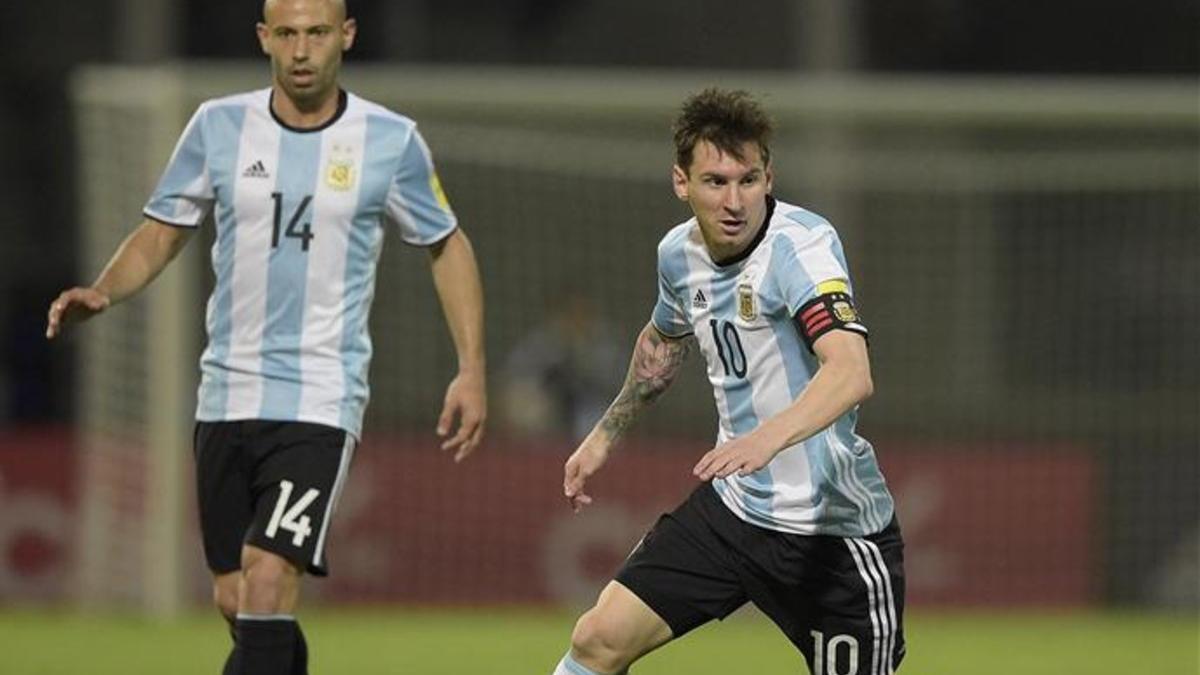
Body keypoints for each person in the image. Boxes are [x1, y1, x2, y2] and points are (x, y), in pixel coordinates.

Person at [45, 1, 487, 673]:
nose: (302, 50)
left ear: (346, 36)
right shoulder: (218, 126)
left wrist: (471, 366)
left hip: (319, 397)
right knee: (239, 599)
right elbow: (164, 229)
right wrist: (104, 289)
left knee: (268, 577)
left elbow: (445, 243)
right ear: (264, 39)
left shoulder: (389, 140)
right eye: (287, 34)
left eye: (316, 33)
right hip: (225, 394)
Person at [552, 88, 905, 675]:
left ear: (770, 177)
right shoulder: (677, 255)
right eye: (716, 181)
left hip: (833, 536)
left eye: (749, 179)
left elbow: (850, 371)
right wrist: (603, 437)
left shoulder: (802, 248)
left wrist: (767, 439)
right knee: (598, 640)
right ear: (681, 183)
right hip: (734, 515)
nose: (735, 200)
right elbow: (662, 344)